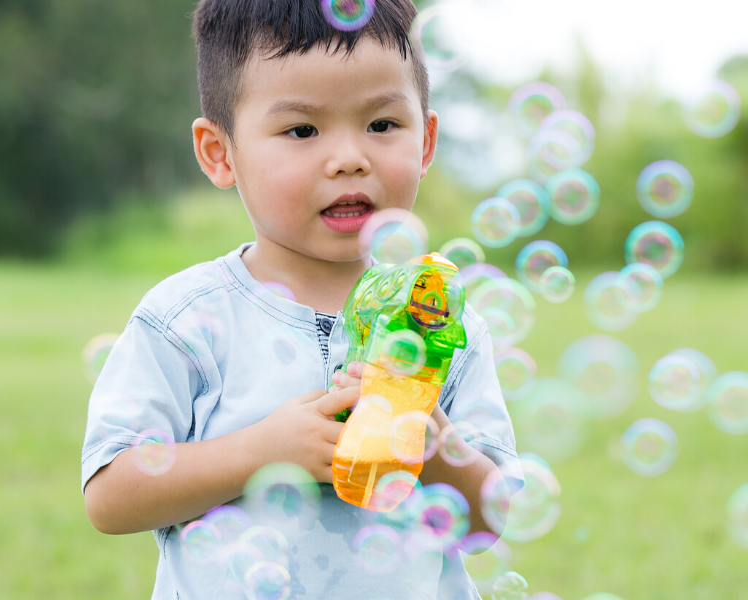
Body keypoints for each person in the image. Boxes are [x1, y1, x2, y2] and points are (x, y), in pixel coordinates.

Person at [81, 0, 523, 598]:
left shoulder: (442, 320)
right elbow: (111, 497)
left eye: (382, 124)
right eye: (302, 130)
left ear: (426, 140)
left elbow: (491, 517)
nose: (349, 158)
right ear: (220, 152)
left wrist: (430, 440)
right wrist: (260, 451)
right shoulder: (188, 320)